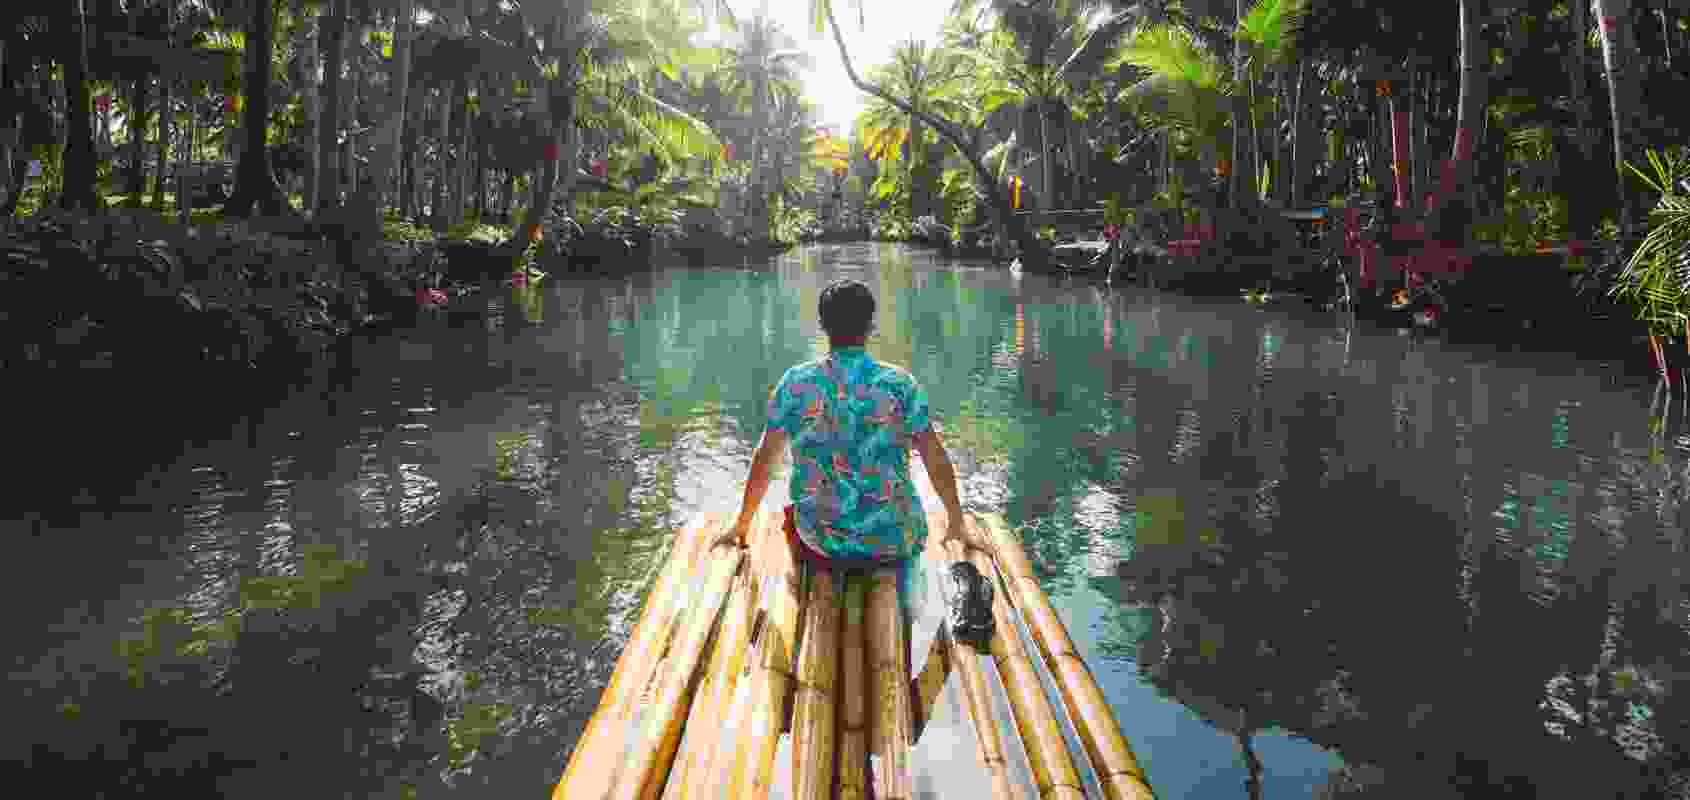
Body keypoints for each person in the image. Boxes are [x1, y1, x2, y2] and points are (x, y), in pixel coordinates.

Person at [713, 277, 971, 641]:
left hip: (822, 542)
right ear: (871, 325)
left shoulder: (796, 383)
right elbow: (934, 457)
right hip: (893, 539)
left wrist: (741, 525)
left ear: (822, 326)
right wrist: (956, 521)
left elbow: (765, 459)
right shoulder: (899, 385)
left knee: (796, 520)